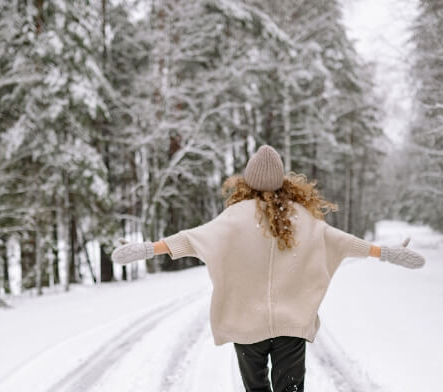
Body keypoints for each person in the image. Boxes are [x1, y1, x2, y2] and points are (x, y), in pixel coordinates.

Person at [110, 145, 425, 392]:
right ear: (284, 181)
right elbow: (342, 242)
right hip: (291, 327)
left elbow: (192, 240)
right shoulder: (302, 217)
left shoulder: (233, 218)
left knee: (256, 388)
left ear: (247, 181)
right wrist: (385, 252)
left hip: (247, 329)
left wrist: (149, 249)